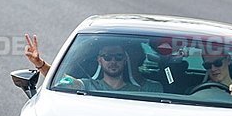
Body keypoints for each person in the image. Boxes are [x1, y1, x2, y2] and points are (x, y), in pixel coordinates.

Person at [23, 34, 162, 93]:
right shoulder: (86, 85)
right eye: (107, 57)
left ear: (125, 60)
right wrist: (39, 63)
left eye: (118, 57)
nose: (113, 61)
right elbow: (59, 79)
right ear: (99, 60)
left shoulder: (138, 91)